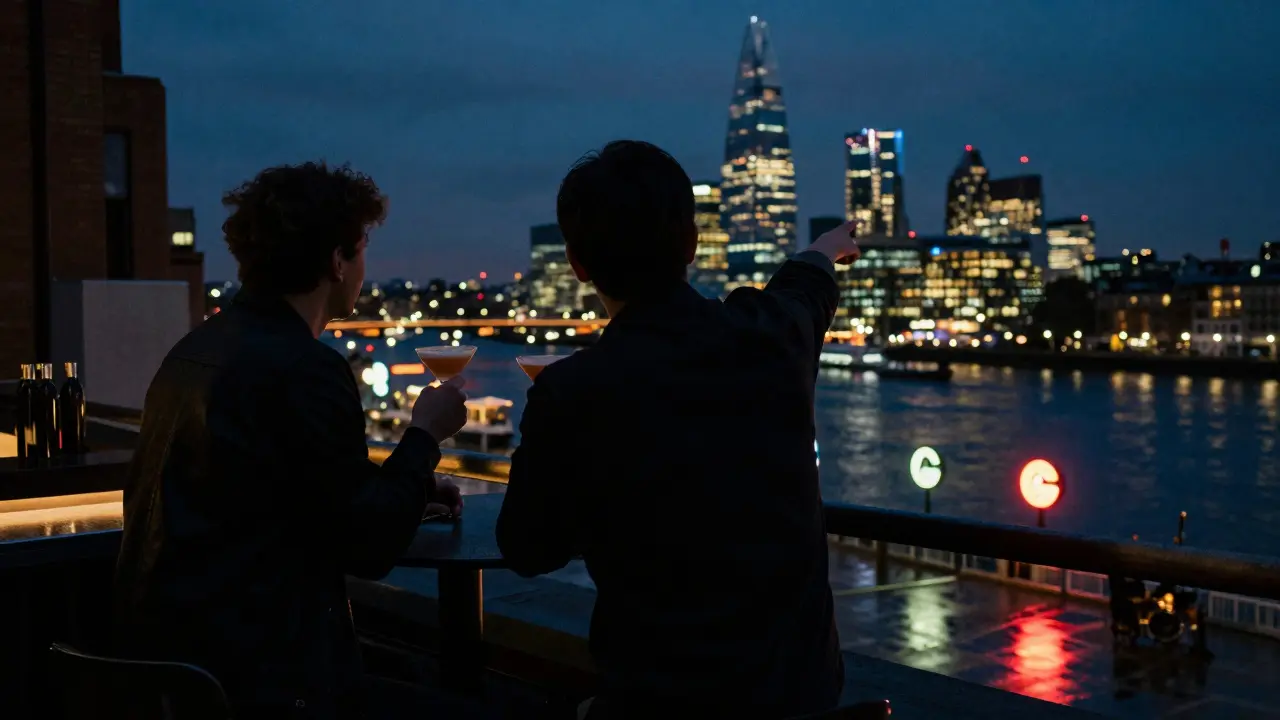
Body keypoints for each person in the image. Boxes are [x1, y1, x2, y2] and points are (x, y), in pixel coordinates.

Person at [496, 141, 862, 718]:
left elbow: (526, 548)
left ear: (578, 264)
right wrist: (821, 251)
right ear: (692, 245)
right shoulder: (771, 334)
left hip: (660, 703)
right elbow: (805, 291)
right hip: (803, 697)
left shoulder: (570, 392)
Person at [114, 162, 469, 719]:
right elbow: (369, 546)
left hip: (180, 673)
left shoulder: (193, 351)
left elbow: (286, 493)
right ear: (336, 260)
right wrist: (425, 434)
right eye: (360, 251)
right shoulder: (305, 369)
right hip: (272, 686)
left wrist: (406, 491)